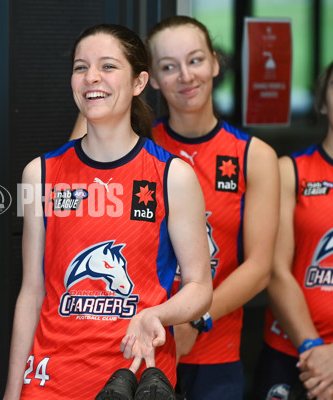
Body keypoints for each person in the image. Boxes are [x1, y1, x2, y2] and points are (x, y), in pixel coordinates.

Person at [3, 23, 213, 399]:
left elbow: (199, 287)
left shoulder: (173, 175)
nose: (91, 77)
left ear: (138, 82)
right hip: (49, 382)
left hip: (137, 380)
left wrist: (157, 315)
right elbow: (31, 293)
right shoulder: (38, 173)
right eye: (81, 67)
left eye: (108, 66)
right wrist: (12, 391)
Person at [145, 15, 280, 399]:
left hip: (215, 354)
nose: (186, 76)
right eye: (168, 67)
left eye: (196, 60)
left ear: (215, 63)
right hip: (140, 350)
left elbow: (258, 268)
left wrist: (195, 319)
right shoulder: (137, 149)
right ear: (151, 78)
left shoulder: (254, 156)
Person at [252, 62, 333, 400]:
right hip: (291, 353)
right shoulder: (291, 171)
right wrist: (316, 350)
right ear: (323, 103)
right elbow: (275, 270)